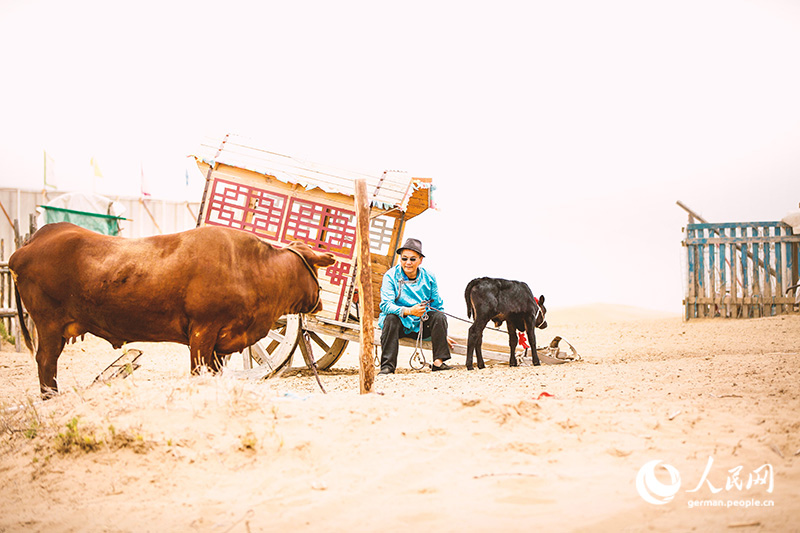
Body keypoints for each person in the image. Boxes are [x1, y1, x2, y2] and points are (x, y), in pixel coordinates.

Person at [378, 238, 452, 374]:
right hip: (399, 324)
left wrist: (441, 333)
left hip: (421, 324)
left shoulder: (429, 277)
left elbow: (436, 305)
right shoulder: (390, 276)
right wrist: (409, 311)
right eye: (404, 259)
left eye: (412, 259)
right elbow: (385, 305)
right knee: (390, 318)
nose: (408, 263)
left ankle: (438, 362)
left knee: (439, 317)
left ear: (420, 260)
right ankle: (387, 366)